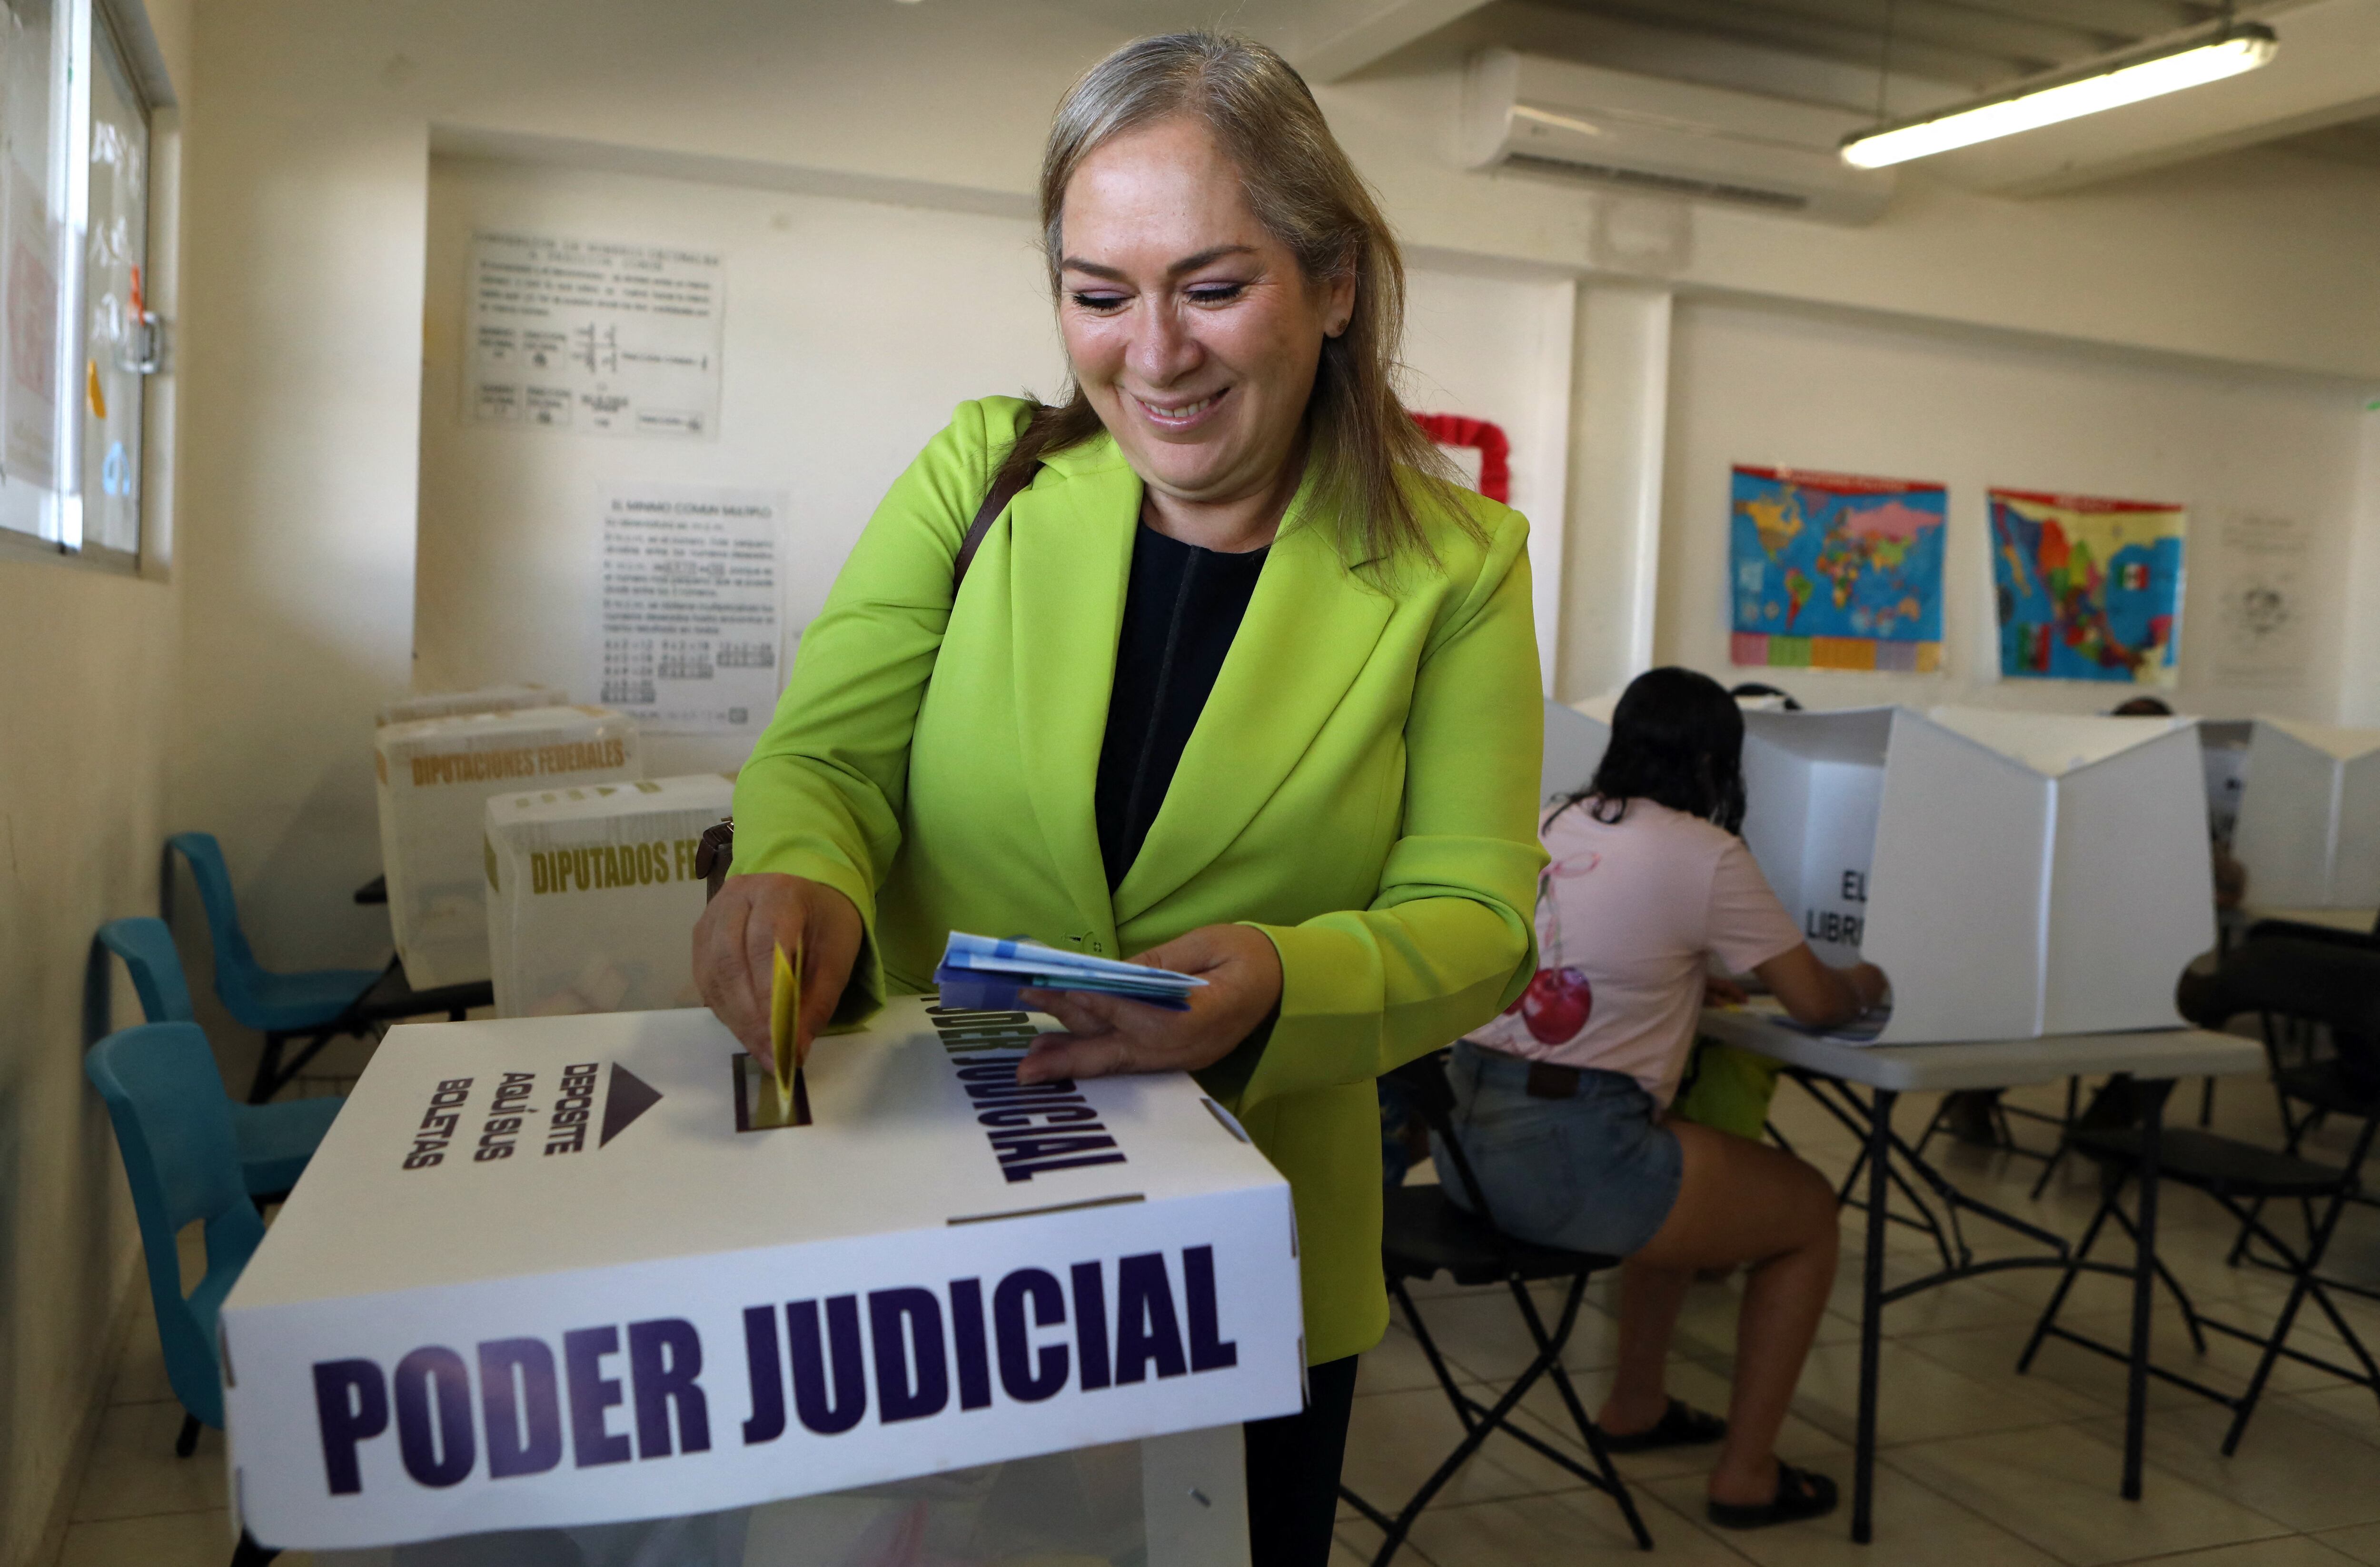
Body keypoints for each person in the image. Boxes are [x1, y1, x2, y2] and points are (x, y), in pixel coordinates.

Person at [694, 33, 1545, 1566]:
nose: (1155, 356)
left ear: (1335, 285)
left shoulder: (1456, 567)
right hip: (933, 1226)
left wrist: (1284, 977)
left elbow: (1478, 918)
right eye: (1100, 296)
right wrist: (801, 869)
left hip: (1241, 1263)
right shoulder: (985, 477)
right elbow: (827, 757)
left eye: (1212, 288)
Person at [1439, 667, 1888, 1530]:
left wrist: (1685, 977)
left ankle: (1636, 1405)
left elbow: (1591, 954)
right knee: (1808, 1213)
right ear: (1720, 763)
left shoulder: (1548, 821)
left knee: (1687, 1159)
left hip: (1464, 1148)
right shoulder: (1704, 850)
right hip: (1568, 1167)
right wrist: (1872, 975)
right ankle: (1747, 1476)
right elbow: (1817, 1003)